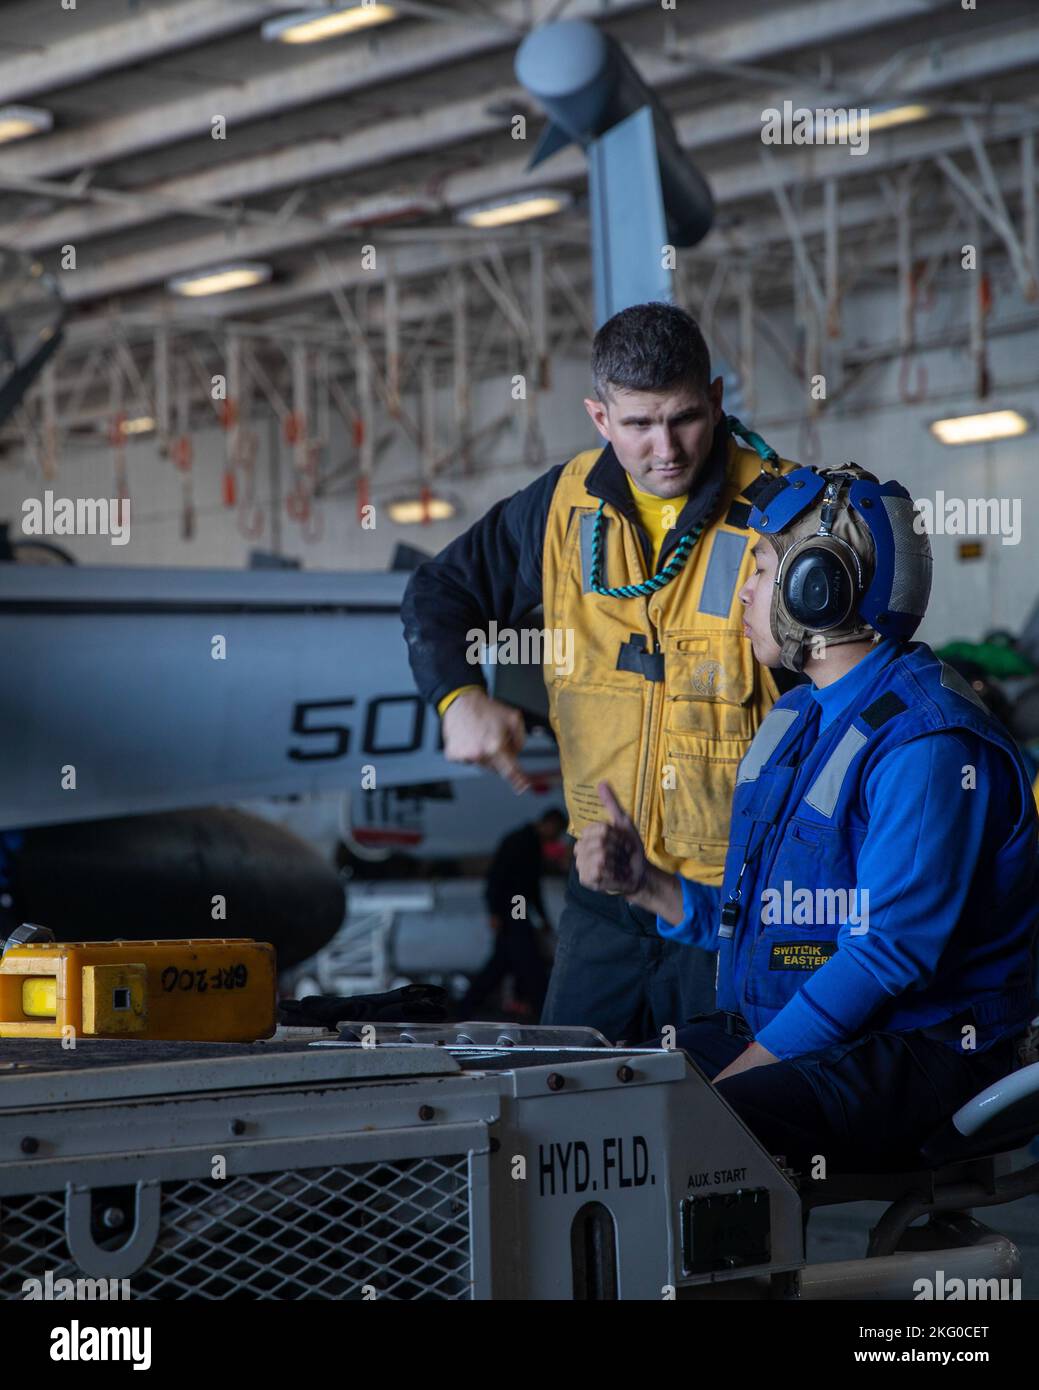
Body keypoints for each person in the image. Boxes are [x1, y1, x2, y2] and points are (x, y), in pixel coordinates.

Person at [575, 462, 1039, 1174]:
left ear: (815, 586)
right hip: (819, 1036)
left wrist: (728, 1088)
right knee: (587, 1095)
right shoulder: (795, 720)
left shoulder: (927, 745)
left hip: (923, 1051)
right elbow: (774, 921)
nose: (747, 591)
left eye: (762, 567)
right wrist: (648, 885)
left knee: (668, 1137)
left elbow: (887, 955)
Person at [401, 302, 798, 1043]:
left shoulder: (786, 511)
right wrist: (458, 698)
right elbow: (437, 591)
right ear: (598, 416)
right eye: (639, 425)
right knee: (567, 1110)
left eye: (683, 417)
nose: (666, 449)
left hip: (736, 904)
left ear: (714, 400)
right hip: (603, 895)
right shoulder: (558, 508)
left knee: (735, 1131)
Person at [458, 808, 566, 1019]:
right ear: (549, 824)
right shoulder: (521, 843)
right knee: (526, 959)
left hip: (516, 907)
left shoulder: (528, 843)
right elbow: (500, 879)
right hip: (514, 907)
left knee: (503, 962)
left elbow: (529, 888)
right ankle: (541, 1009)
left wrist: (540, 919)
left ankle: (467, 1007)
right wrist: (497, 911)